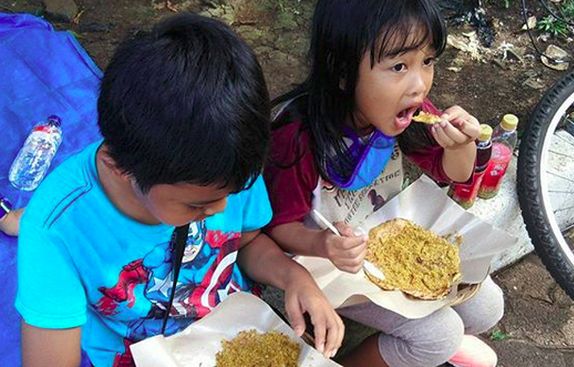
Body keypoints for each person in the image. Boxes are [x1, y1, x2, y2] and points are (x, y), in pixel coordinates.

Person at [16, 14, 343, 367]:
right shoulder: (56, 233)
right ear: (120, 167)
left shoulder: (226, 162)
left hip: (232, 329)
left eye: (232, 194)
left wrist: (295, 277)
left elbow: (246, 243)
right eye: (197, 206)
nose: (221, 210)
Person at [263, 1, 503, 367]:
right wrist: (327, 244)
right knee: (438, 336)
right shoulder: (298, 137)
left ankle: (418, 348)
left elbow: (453, 173)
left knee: (487, 308)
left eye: (428, 62)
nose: (419, 84)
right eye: (399, 66)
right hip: (323, 263)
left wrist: (462, 144)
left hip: (380, 248)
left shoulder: (404, 110)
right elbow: (278, 227)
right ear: (342, 71)